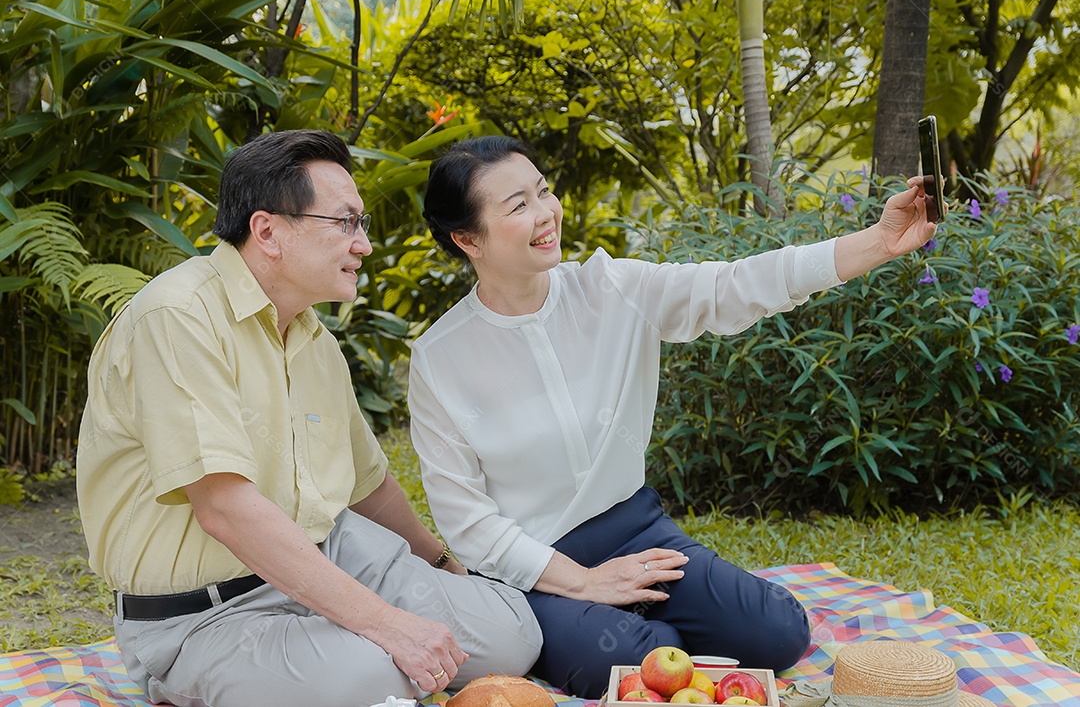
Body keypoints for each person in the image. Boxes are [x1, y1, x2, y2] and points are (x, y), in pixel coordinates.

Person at [409, 135, 941, 698]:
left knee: (780, 635)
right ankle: (629, 631)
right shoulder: (440, 358)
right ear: (468, 239)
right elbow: (467, 523)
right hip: (536, 571)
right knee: (620, 668)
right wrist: (585, 582)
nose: (546, 214)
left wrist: (880, 242)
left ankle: (663, 622)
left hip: (634, 528)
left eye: (543, 191)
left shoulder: (611, 288)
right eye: (518, 206)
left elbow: (737, 285)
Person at [76, 130, 542, 707]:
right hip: (204, 611)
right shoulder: (177, 317)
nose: (364, 245)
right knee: (376, 672)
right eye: (346, 223)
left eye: (361, 223)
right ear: (269, 231)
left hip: (330, 552)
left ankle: (341, 632)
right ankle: (244, 668)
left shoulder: (311, 334)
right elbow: (223, 506)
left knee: (511, 633)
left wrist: (444, 565)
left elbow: (368, 486)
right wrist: (388, 625)